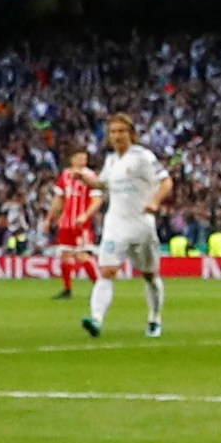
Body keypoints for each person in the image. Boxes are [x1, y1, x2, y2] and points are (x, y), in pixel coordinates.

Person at [89, 114, 174, 337]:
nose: (117, 136)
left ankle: (155, 318)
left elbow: (166, 181)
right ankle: (96, 320)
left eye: (121, 131)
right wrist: (85, 180)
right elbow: (102, 184)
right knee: (107, 271)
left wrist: (155, 201)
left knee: (149, 275)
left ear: (131, 134)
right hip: (115, 223)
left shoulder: (143, 157)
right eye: (113, 132)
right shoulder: (110, 160)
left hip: (141, 224)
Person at [49, 151, 103, 302]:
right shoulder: (65, 175)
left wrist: (86, 215)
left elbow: (97, 200)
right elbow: (59, 199)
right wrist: (50, 218)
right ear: (72, 159)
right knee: (65, 255)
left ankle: (99, 287)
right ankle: (67, 289)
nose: (82, 160)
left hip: (81, 224)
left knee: (81, 255)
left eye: (85, 158)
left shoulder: (90, 177)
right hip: (66, 223)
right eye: (79, 157)